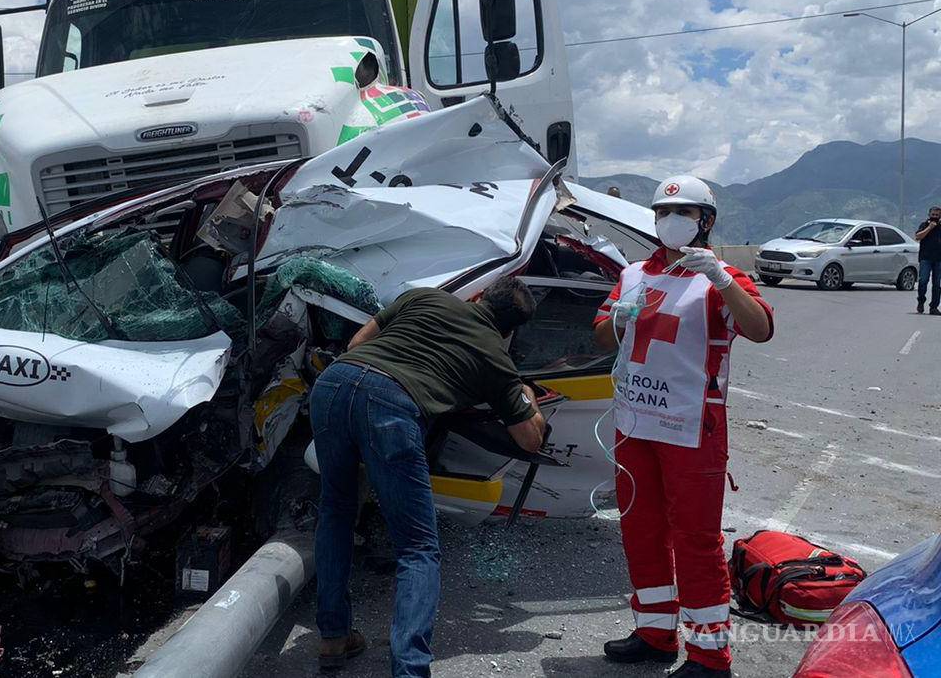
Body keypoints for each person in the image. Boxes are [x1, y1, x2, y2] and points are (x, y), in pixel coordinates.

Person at [309, 277, 548, 677]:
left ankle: (333, 636)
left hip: (334, 384)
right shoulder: (495, 357)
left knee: (335, 512)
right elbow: (529, 438)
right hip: (392, 408)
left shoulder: (425, 297)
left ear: (481, 296)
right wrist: (527, 393)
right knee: (418, 547)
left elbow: (356, 343)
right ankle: (410, 669)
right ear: (510, 331)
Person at [593, 176, 774, 677]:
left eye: (683, 212)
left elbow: (760, 328)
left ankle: (710, 656)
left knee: (696, 540)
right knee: (640, 531)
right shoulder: (633, 274)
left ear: (706, 221)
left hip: (692, 428)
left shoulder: (723, 278)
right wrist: (619, 319)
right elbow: (601, 336)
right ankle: (654, 634)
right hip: (634, 424)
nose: (669, 221)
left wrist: (722, 281)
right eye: (662, 213)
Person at [914, 205, 941, 315]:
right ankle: (921, 301)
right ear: (929, 215)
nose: (935, 217)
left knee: (937, 284)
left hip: (939, 259)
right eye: (933, 214)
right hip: (925, 258)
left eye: (937, 215)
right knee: (923, 281)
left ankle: (934, 307)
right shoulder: (924, 225)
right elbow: (918, 237)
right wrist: (929, 228)